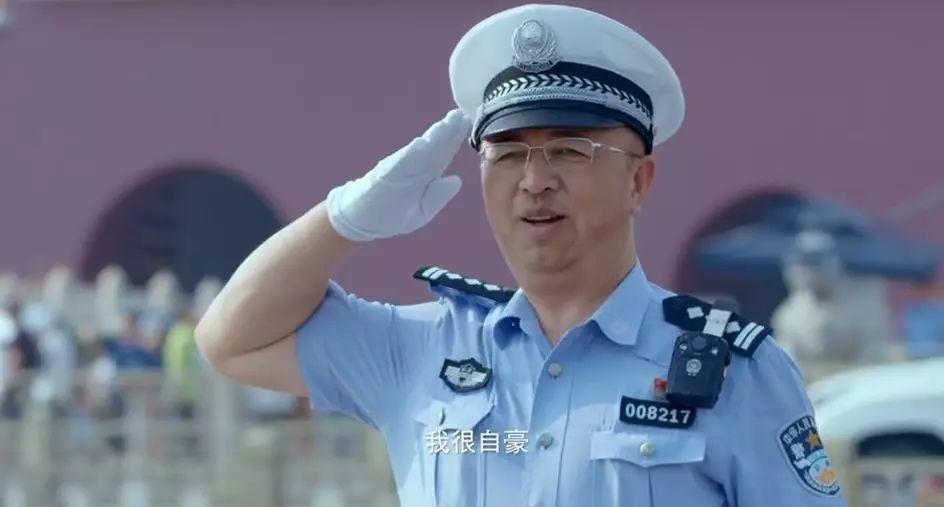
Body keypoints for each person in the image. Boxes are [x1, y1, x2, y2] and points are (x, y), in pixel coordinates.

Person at [196, 4, 847, 506]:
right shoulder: (422, 350)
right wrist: (344, 217)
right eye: (507, 154)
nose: (534, 181)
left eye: (569, 150)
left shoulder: (736, 371)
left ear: (639, 181)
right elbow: (230, 339)